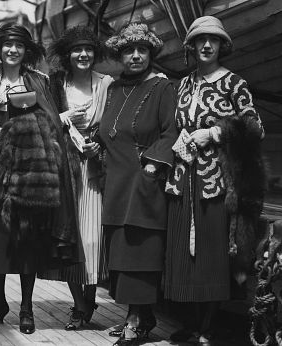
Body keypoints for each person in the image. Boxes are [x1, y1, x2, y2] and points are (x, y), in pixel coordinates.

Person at [0, 23, 80, 335]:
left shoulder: (39, 81)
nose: (13, 50)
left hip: (29, 174)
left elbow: (49, 122)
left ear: (27, 51)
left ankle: (26, 308)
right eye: (7, 45)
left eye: (19, 46)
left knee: (27, 241)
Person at [164, 16, 265, 345]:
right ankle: (192, 324)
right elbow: (174, 126)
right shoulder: (183, 83)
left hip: (216, 182)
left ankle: (208, 327)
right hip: (182, 179)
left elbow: (255, 127)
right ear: (191, 46)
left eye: (213, 40)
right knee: (184, 253)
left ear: (222, 45)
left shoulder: (234, 84)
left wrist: (214, 132)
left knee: (210, 254)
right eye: (199, 40)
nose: (206, 45)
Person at [99, 22, 178, 345]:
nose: (135, 56)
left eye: (142, 50)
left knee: (140, 254)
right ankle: (143, 315)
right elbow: (108, 131)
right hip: (116, 182)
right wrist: (95, 144)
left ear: (150, 54)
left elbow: (171, 131)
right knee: (120, 254)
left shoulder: (162, 88)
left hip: (144, 181)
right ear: (120, 55)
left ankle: (134, 320)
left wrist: (152, 166)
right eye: (129, 50)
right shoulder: (114, 88)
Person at [37, 26, 114, 330]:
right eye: (76, 50)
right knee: (69, 236)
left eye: (88, 50)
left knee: (92, 239)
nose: (83, 55)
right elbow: (41, 121)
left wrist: (100, 147)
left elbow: (116, 124)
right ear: (67, 56)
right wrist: (62, 118)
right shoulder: (56, 85)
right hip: (64, 168)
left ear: (95, 54)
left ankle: (90, 297)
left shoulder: (107, 84)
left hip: (95, 168)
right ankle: (79, 305)